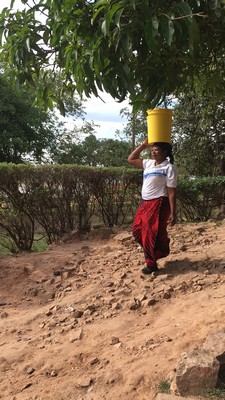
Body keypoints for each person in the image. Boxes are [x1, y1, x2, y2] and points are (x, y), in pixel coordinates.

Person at [128, 140, 177, 275]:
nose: (153, 152)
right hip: (145, 203)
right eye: (152, 150)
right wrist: (144, 145)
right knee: (137, 230)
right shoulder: (148, 164)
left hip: (159, 202)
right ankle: (161, 248)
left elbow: (172, 192)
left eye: (156, 150)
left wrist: (173, 212)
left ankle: (151, 264)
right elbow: (131, 159)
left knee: (149, 232)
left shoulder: (169, 168)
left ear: (165, 152)